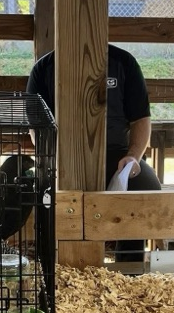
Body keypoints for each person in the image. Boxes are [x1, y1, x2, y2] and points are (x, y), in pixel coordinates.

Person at [26, 43, 162, 260]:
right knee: (41, 193)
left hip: (117, 155)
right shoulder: (45, 68)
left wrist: (133, 157)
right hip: (64, 157)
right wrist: (53, 157)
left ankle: (130, 267)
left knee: (146, 186)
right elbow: (36, 126)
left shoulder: (123, 62)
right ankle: (55, 265)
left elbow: (141, 118)